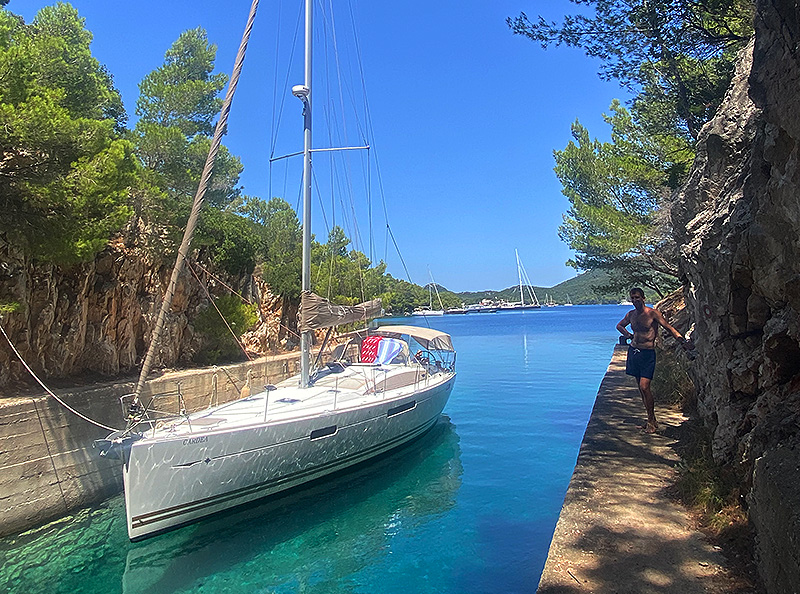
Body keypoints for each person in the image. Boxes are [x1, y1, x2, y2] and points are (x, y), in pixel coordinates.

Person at [616, 287, 690, 434]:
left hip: (647, 353)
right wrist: (629, 335)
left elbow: (668, 327)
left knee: (645, 387)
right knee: (640, 388)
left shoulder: (652, 313)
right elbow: (619, 326)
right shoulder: (631, 315)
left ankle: (651, 420)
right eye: (633, 298)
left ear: (643, 298)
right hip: (634, 352)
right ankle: (651, 419)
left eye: (637, 297)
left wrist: (682, 341)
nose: (635, 300)